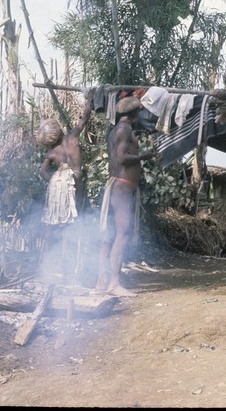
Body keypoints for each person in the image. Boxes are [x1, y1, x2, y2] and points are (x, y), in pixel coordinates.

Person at [95, 96, 156, 297]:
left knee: (109, 236)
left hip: (118, 186)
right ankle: (114, 283)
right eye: (139, 113)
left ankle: (101, 282)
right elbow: (121, 158)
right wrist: (143, 156)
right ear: (133, 115)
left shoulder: (114, 131)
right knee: (122, 234)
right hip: (122, 187)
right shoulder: (125, 130)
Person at [37, 88, 95, 281]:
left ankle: (50, 266)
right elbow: (84, 118)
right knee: (71, 224)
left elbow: (43, 171)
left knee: (55, 224)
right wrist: (89, 100)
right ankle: (68, 268)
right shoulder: (72, 137)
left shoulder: (52, 153)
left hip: (59, 189)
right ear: (59, 129)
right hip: (75, 184)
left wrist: (55, 181)